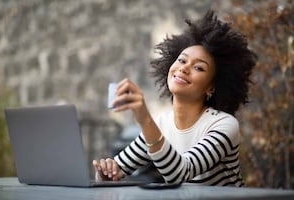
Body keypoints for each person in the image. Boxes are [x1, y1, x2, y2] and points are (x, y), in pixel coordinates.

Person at [93, 10, 257, 187]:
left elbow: (181, 173)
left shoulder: (224, 125)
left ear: (212, 87)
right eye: (181, 60)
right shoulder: (162, 124)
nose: (184, 68)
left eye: (199, 68)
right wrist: (106, 173)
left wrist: (144, 118)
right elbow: (116, 170)